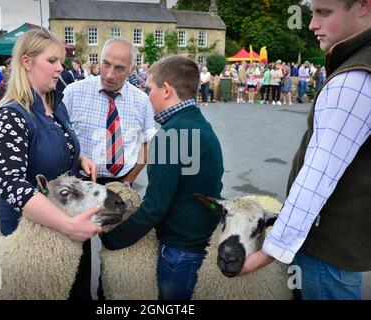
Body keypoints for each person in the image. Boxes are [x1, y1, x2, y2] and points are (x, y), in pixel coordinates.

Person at [239, 0, 371, 300]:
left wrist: (267, 252)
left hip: (325, 250)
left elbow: (317, 177)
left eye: (324, 13)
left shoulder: (353, 80)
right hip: (342, 245)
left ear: (363, 6)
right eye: (312, 13)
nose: (311, 24)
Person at [0, 29, 103, 298]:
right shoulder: (9, 116)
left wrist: (80, 157)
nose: (60, 68)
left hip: (71, 226)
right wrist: (67, 225)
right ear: (26, 62)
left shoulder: (55, 103)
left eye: (61, 62)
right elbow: (11, 185)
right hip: (36, 237)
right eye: (52, 61)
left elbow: (57, 144)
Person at [100, 55, 224, 300]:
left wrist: (112, 240)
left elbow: (155, 208)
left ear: (166, 90)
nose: (147, 96)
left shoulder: (171, 135)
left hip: (181, 249)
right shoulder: (198, 124)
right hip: (199, 238)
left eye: (149, 88)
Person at [62, 37, 156, 300]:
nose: (110, 74)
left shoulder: (141, 101)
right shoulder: (73, 93)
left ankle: (107, 299)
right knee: (76, 252)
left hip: (119, 184)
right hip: (81, 184)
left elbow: (147, 143)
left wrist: (129, 179)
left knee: (117, 253)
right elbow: (62, 138)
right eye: (105, 64)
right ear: (98, 61)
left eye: (119, 68)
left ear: (132, 69)